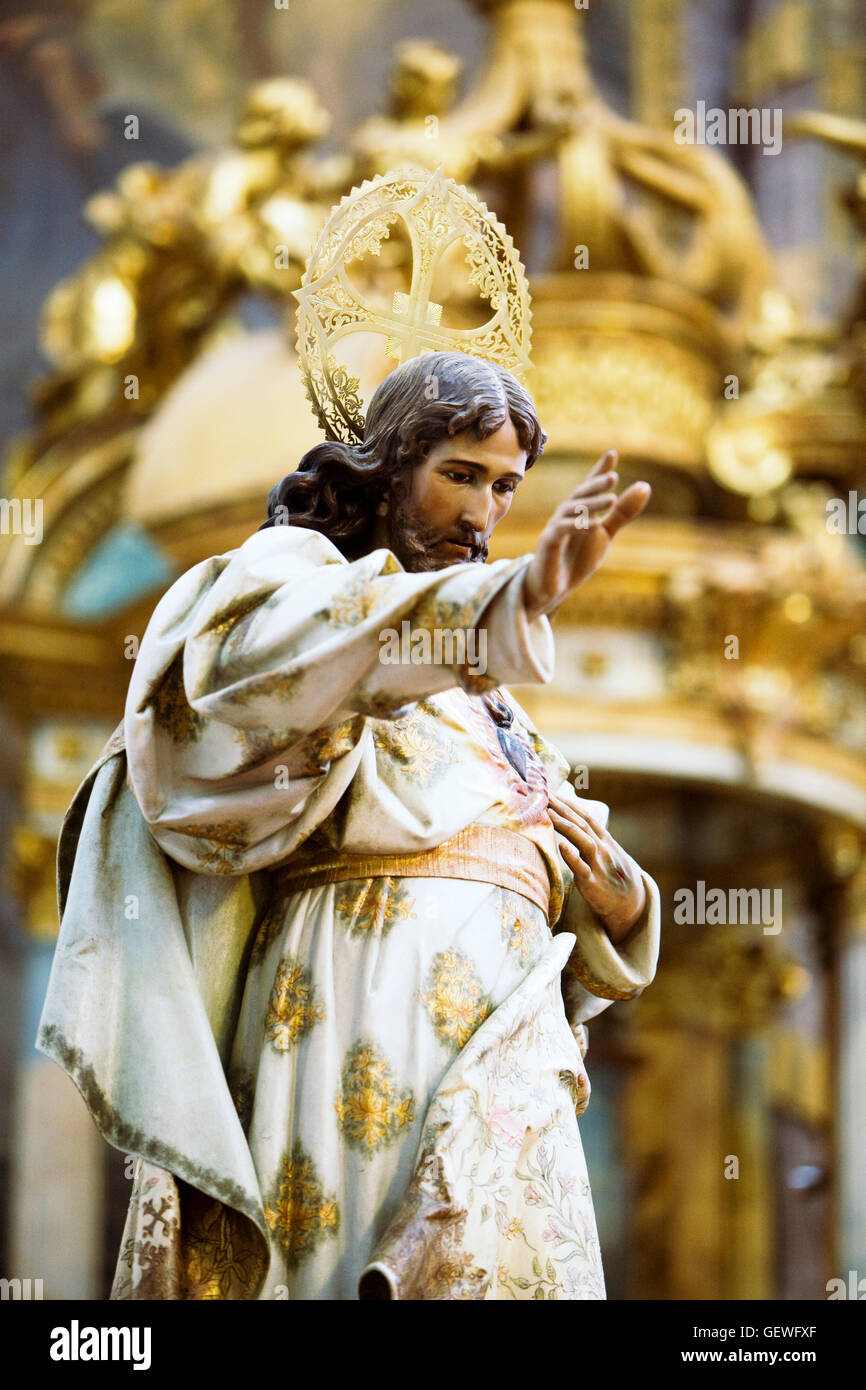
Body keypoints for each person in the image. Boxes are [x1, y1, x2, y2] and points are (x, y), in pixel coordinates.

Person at [38, 348, 659, 1300]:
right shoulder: (302, 590)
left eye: (504, 486)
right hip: (354, 1011)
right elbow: (258, 679)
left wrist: (616, 916)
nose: (481, 513)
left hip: (500, 1074)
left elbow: (533, 905)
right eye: (458, 474)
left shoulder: (493, 701)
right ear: (387, 467)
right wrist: (511, 598)